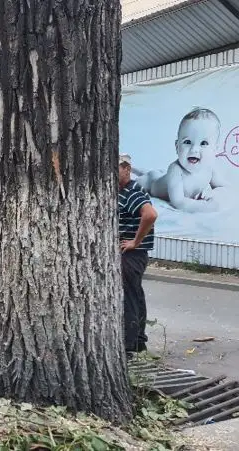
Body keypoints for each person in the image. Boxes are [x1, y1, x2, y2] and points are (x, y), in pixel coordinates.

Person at [133, 108, 229, 213]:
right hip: (152, 184)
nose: (194, 149)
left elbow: (223, 187)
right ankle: (130, 166)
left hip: (163, 176)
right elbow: (178, 202)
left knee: (155, 173)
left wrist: (215, 194)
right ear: (177, 146)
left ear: (215, 149)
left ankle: (137, 168)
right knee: (137, 182)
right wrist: (204, 206)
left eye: (204, 143)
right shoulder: (175, 170)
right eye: (187, 142)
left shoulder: (210, 169)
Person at [119, 154, 158, 355]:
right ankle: (139, 340)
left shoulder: (132, 191)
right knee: (135, 294)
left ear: (127, 169)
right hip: (131, 253)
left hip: (132, 254)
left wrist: (136, 241)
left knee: (129, 296)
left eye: (117, 168)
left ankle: (129, 345)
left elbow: (150, 214)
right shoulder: (122, 191)